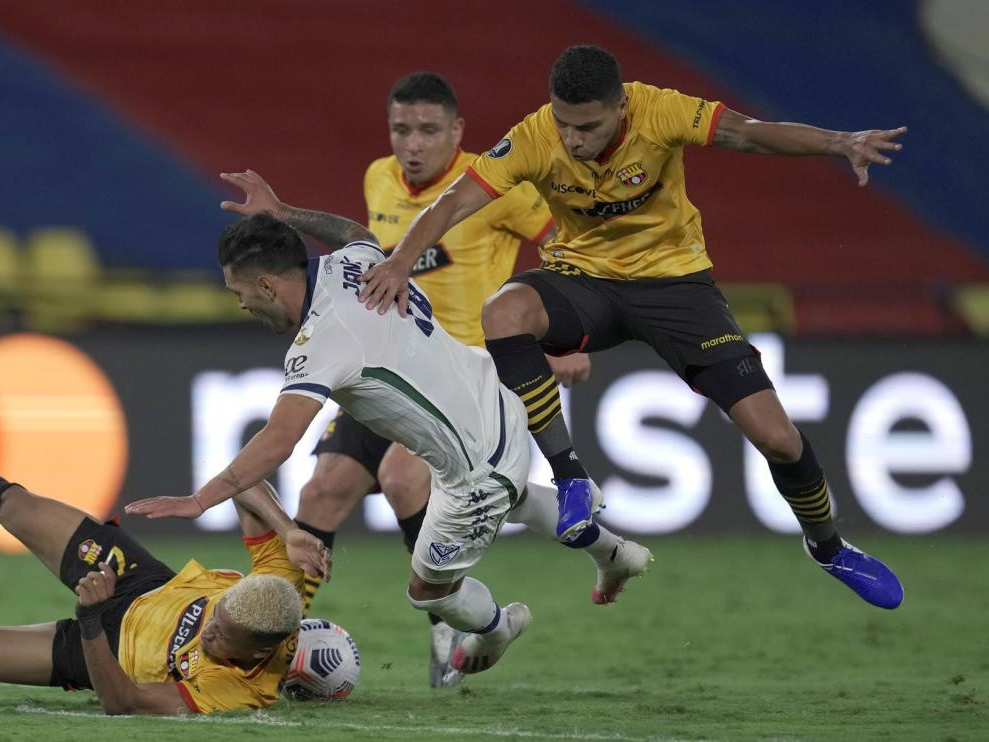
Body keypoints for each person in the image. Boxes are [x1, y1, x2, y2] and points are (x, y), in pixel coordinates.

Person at [358, 44, 904, 609]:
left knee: (779, 440)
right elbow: (452, 203)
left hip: (678, 289)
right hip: (585, 281)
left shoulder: (660, 111)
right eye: (564, 124)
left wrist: (840, 143)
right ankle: (571, 477)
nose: (572, 139)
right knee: (503, 312)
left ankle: (829, 547)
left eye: (587, 126)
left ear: (621, 107)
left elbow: (748, 132)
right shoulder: (535, 136)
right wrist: (400, 262)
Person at [126, 194, 652, 683]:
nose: (239, 303)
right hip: (496, 395)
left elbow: (278, 440)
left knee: (426, 591)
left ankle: (495, 629)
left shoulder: (322, 342)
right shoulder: (349, 265)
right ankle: (611, 552)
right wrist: (285, 210)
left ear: (266, 285)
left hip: (475, 466)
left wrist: (200, 499)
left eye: (237, 290)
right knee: (508, 498)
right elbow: (353, 230)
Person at [288, 70, 584, 687]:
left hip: (459, 382)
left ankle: (445, 619)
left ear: (457, 132)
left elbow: (568, 248)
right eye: (401, 129)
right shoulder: (378, 178)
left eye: (427, 131)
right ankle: (277, 640)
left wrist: (558, 338)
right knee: (320, 494)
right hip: (384, 371)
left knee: (401, 476)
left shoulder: (494, 186)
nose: (412, 144)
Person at [0, 389, 331, 715]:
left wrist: (90, 618)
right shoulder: (279, 587)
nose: (208, 631)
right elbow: (246, 482)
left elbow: (123, 702)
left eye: (221, 636)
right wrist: (287, 529)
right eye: (216, 616)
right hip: (140, 580)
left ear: (261, 650)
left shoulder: (237, 692)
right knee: (14, 503)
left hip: (100, 652)